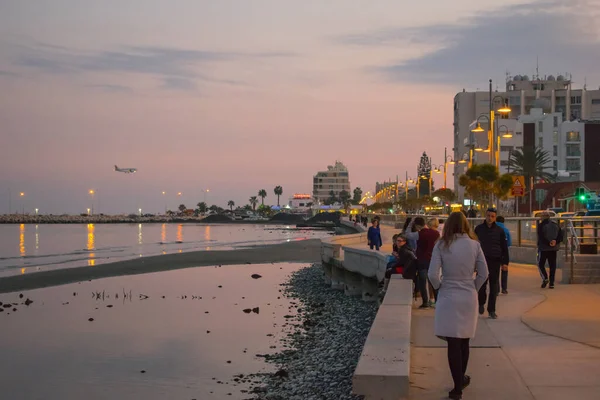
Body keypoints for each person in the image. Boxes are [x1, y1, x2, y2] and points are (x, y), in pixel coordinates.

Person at [429, 212, 489, 400]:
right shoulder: (474, 245)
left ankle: (457, 387)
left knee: (453, 342)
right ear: (466, 225)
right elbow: (484, 273)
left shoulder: (441, 245)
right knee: (464, 340)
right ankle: (460, 380)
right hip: (468, 294)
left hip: (448, 293)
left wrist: (439, 289)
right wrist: (473, 287)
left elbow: (432, 274)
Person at [474, 208, 509, 319]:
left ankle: (491, 310)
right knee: (482, 285)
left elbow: (504, 247)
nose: (490, 218)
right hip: (481, 261)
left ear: (495, 217)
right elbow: (473, 246)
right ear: (485, 216)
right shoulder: (478, 229)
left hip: (495, 261)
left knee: (494, 287)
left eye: (492, 216)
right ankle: (480, 303)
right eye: (488, 215)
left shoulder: (499, 231)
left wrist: (505, 262)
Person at [406, 217, 440, 309]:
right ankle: (437, 301)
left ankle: (425, 302)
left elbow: (407, 234)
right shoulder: (436, 234)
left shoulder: (419, 234)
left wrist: (410, 223)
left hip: (422, 260)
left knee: (422, 281)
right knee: (433, 281)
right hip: (433, 260)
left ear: (417, 226)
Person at [537, 211, 561, 289]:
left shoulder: (541, 225)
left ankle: (545, 278)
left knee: (540, 264)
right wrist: (555, 241)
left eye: (541, 216)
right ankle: (552, 283)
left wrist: (548, 243)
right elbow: (560, 235)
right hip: (554, 249)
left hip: (543, 248)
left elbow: (541, 236)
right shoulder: (556, 225)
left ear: (543, 217)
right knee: (552, 266)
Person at [496, 216, 512, 294]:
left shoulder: (493, 229)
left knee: (495, 271)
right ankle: (504, 288)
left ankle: (497, 289)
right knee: (504, 269)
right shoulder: (506, 230)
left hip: (495, 252)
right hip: (504, 252)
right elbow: (509, 243)